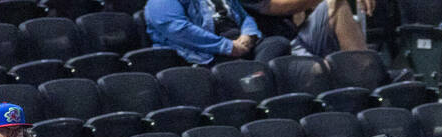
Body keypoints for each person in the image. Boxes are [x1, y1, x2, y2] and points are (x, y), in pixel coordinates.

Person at [143, 0, 284, 65]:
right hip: (207, 51)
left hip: (241, 42)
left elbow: (244, 16)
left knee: (277, 43)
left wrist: (248, 35)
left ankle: (254, 76)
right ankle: (255, 79)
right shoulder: (159, 2)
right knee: (235, 66)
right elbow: (179, 31)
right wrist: (228, 47)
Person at [239, 0, 370, 59]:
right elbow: (281, 7)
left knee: (336, 3)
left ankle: (364, 73)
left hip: (297, 36)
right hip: (272, 47)